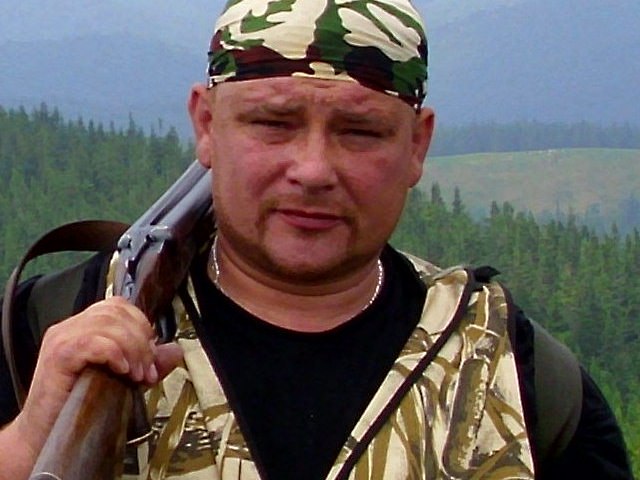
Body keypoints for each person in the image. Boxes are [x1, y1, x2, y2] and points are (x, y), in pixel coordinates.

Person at [0, 0, 634, 479]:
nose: (313, 170)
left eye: (360, 132)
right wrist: (25, 443)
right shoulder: (48, 331)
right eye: (273, 123)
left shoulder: (524, 378)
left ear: (417, 145)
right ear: (206, 125)